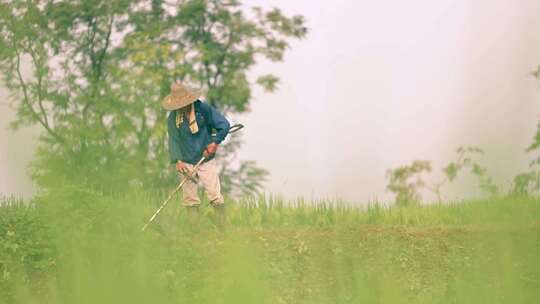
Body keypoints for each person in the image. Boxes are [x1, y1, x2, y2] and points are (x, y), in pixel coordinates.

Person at [162, 82, 230, 227]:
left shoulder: (203, 109)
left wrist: (215, 142)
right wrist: (178, 161)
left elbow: (224, 125)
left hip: (205, 158)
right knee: (189, 197)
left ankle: (223, 228)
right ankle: (195, 230)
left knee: (214, 193)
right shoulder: (173, 118)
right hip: (185, 159)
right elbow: (173, 140)